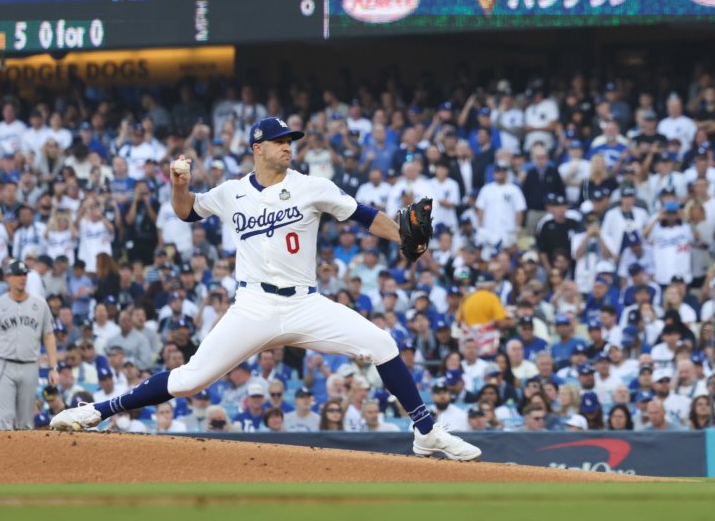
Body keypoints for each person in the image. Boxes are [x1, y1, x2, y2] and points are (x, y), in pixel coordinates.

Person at [50, 117, 481, 461]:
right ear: (258, 148)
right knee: (188, 381)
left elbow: (366, 216)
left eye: (290, 140)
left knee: (383, 344)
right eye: (279, 141)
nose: (288, 146)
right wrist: (179, 185)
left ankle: (426, 432)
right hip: (253, 304)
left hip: (305, 304)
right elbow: (186, 213)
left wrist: (403, 238)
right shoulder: (232, 192)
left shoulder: (312, 186)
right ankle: (94, 412)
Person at [0, 259, 57, 430]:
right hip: (3, 364)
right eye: (18, 274)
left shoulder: (40, 304)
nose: (23, 278)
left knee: (26, 422)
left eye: (25, 274)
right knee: (3, 421)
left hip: (30, 365)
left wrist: (53, 367)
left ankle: (23, 457)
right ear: (8, 278)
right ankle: (1, 457)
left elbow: (48, 336)